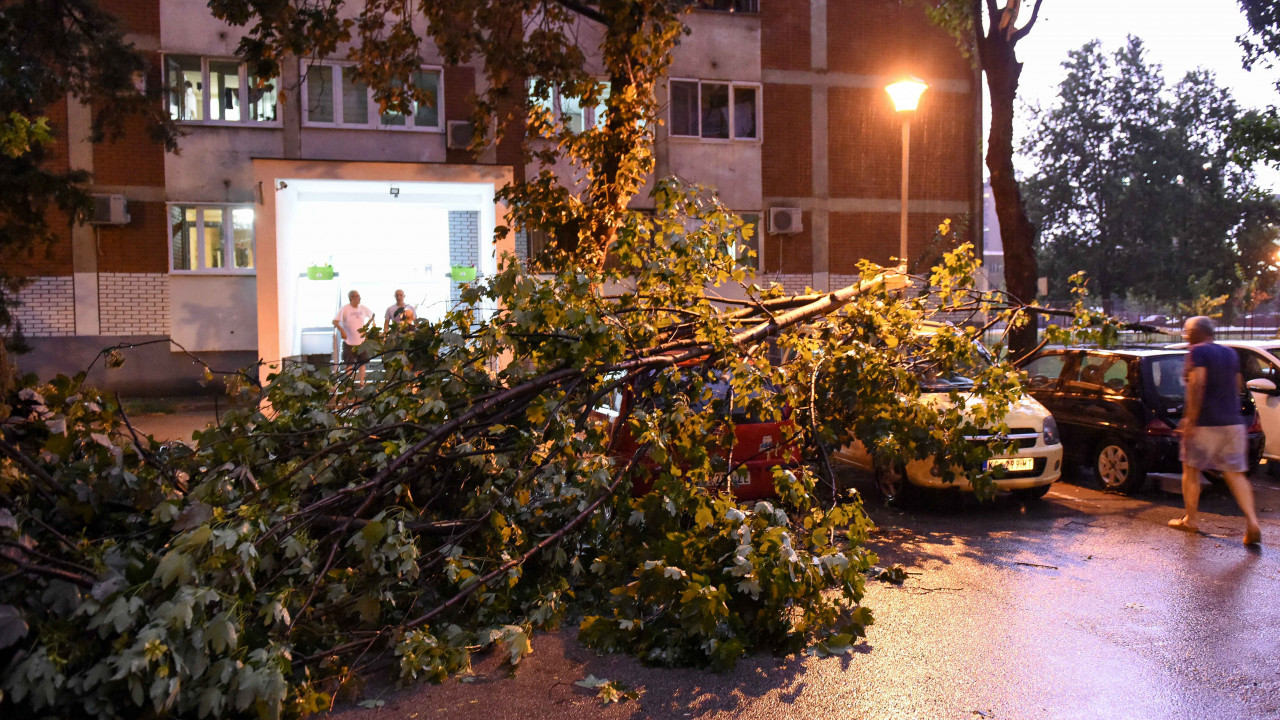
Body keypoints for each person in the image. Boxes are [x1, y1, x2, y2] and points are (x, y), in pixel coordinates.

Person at [1170, 316, 1263, 545]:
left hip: (1205, 424)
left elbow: (1198, 383)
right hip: (1233, 423)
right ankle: (1252, 522)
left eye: (1187, 333)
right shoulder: (1230, 353)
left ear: (1193, 334)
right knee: (1234, 473)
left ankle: (1191, 519)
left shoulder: (1197, 353)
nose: (1185, 336)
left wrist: (1190, 419)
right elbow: (1236, 383)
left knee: (1191, 469)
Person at [333, 290, 374, 384]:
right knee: (349, 364)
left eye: (359, 296)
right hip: (349, 341)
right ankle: (348, 383)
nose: (359, 298)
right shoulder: (345, 308)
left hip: (361, 341)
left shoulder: (363, 308)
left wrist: (366, 326)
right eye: (356, 296)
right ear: (351, 297)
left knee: (362, 363)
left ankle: (361, 382)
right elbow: (335, 321)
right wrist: (342, 331)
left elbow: (372, 315)